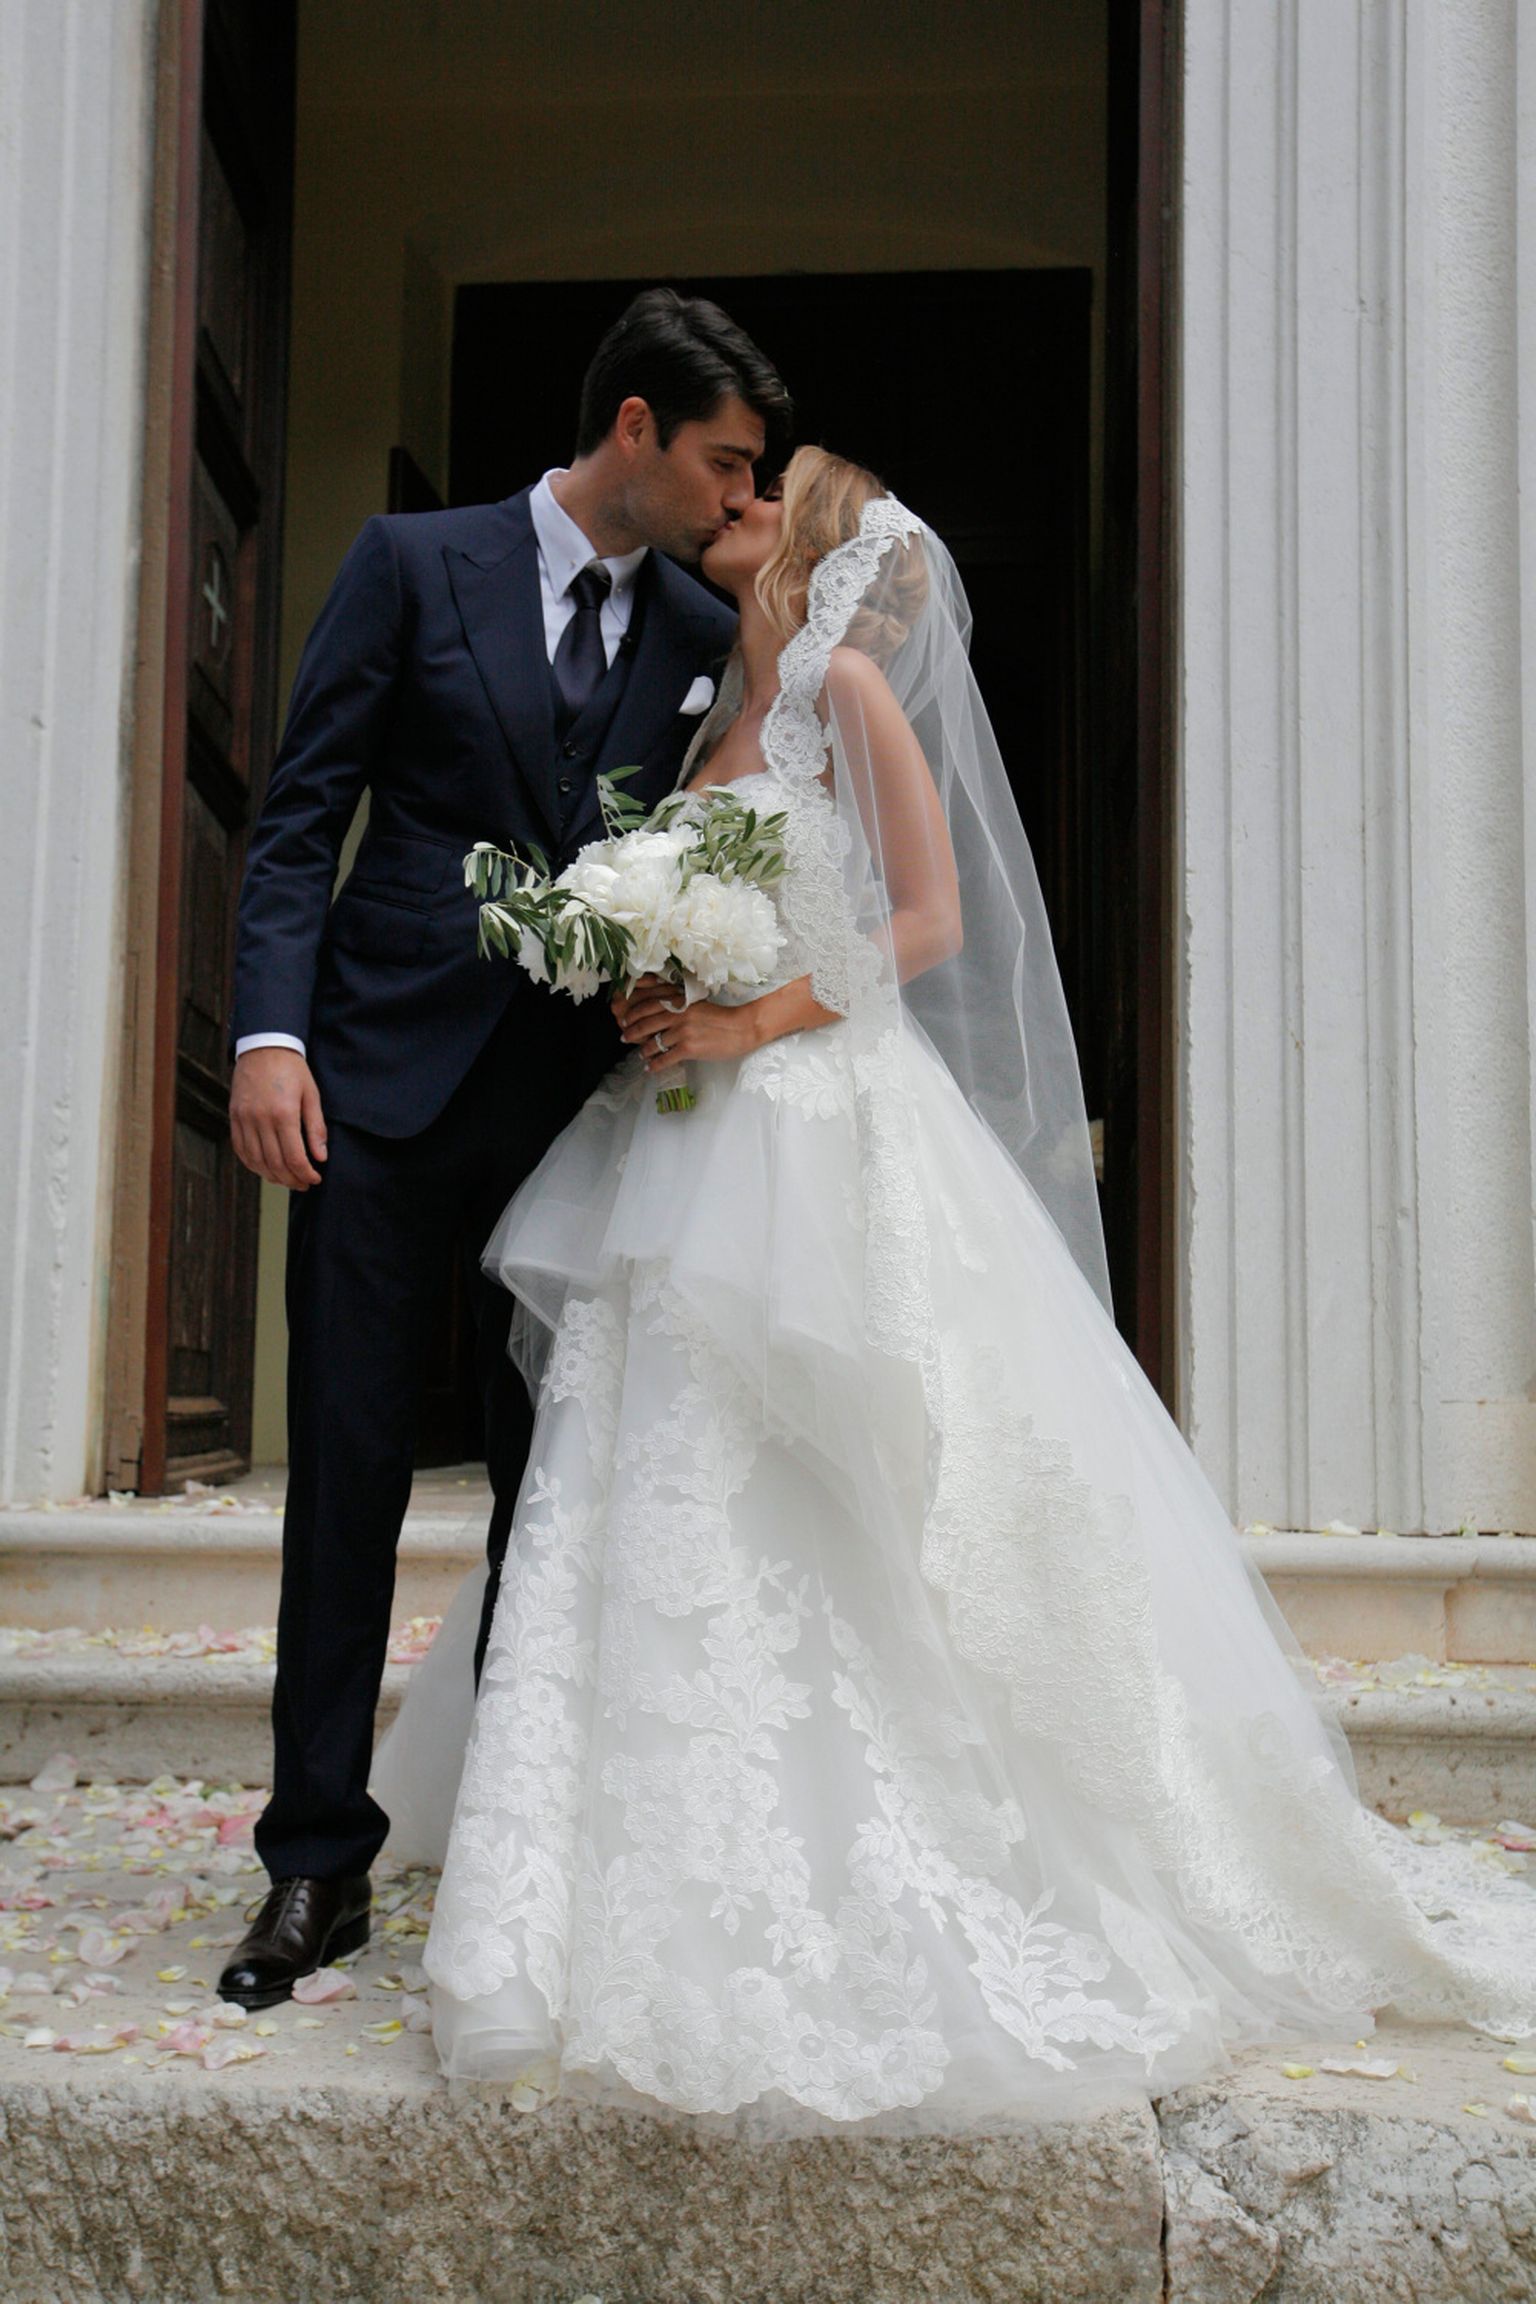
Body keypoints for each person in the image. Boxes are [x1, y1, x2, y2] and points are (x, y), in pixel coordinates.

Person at [373, 446, 1536, 2128]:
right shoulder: (711, 710)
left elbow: (923, 923)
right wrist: (652, 970)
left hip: (816, 1128)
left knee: (845, 1468)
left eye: (764, 494)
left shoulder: (845, 692)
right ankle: (598, 1864)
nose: (732, 504)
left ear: (816, 550)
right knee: (655, 1469)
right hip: (683, 1134)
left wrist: (748, 1017)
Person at [217, 290, 790, 2011]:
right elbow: (301, 813)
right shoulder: (413, 563)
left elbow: (709, 847)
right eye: (723, 462)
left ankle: (531, 1856)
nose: (737, 496)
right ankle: (316, 1863)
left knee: (559, 1491)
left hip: (575, 1124)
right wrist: (268, 1037)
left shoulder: (700, 627)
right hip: (373, 1093)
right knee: (348, 1476)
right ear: (634, 428)